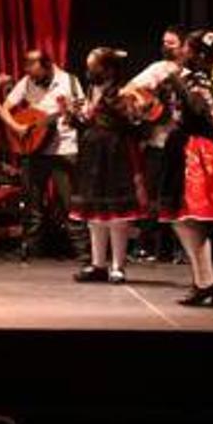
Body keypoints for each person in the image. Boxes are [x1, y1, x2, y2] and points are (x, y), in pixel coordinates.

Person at [158, 31, 213, 306]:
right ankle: (204, 280)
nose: (181, 51)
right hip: (185, 147)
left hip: (197, 151)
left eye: (187, 48)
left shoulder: (204, 79)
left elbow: (199, 110)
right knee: (182, 219)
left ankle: (205, 281)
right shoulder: (193, 77)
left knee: (186, 218)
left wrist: (176, 81)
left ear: (199, 54)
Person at [70, 48, 147, 284]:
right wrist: (74, 116)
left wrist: (117, 105)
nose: (89, 72)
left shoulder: (123, 92)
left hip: (115, 156)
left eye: (94, 67)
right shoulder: (92, 90)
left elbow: (134, 124)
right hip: (93, 155)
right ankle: (98, 264)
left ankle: (118, 266)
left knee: (116, 215)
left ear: (108, 69)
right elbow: (89, 122)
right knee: (94, 214)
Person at [3, 50, 86, 260]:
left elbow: (82, 111)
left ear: (47, 65)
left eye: (34, 68)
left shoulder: (70, 82)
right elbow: (4, 108)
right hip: (34, 147)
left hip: (64, 149)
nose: (29, 73)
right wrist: (17, 126)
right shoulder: (27, 81)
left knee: (70, 203)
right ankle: (31, 251)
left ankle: (84, 253)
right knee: (32, 202)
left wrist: (71, 113)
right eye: (27, 68)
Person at [121, 25, 186, 260]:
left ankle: (179, 248)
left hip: (183, 142)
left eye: (171, 43)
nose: (166, 46)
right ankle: (146, 244)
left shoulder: (191, 71)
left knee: (179, 195)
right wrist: (145, 104)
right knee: (152, 195)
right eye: (164, 42)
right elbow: (127, 90)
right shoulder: (158, 68)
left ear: (184, 46)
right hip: (157, 141)